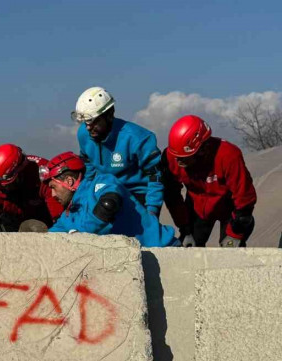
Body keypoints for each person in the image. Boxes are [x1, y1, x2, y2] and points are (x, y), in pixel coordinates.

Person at [44, 151, 178, 247]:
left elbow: (109, 203)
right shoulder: (67, 217)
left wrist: (82, 236)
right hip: (135, 264)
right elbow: (49, 239)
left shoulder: (101, 182)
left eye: (53, 187)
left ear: (69, 181)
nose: (53, 195)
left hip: (164, 251)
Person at [161, 115, 257, 247]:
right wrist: (185, 228)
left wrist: (236, 233)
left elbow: (244, 197)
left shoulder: (229, 156)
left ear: (202, 149)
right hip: (197, 206)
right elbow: (172, 197)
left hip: (229, 208)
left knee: (230, 253)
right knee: (189, 250)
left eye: (184, 157)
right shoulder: (171, 158)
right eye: (176, 157)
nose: (179, 161)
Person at [72, 87, 163, 216]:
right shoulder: (84, 134)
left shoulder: (138, 138)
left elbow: (155, 178)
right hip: (107, 192)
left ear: (109, 115)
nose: (88, 127)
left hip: (137, 196)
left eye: (93, 121)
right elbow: (89, 169)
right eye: (85, 122)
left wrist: (152, 211)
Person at [0, 144, 63, 231]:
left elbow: (61, 220)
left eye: (7, 185)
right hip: (13, 219)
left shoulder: (44, 176)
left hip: (45, 216)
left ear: (20, 172)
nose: (1, 188)